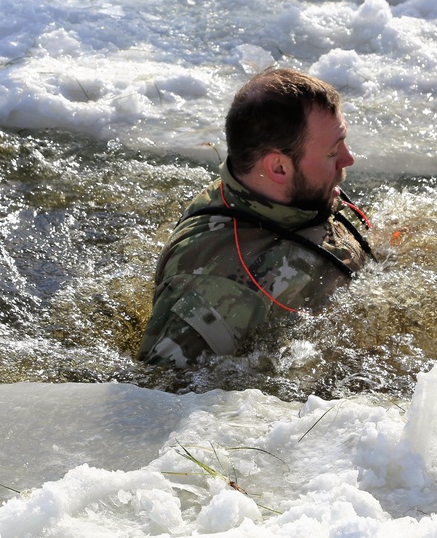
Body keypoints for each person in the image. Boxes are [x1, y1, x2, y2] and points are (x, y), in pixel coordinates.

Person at [137, 68, 375, 366]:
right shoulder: (218, 285)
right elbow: (161, 394)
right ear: (278, 168)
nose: (348, 159)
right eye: (332, 152)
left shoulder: (293, 195)